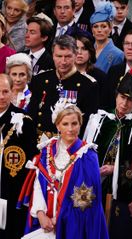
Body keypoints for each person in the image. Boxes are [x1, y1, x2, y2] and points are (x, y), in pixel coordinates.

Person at [19, 96, 109, 239]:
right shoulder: (47, 150)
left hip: (75, 225)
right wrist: (41, 214)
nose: (70, 129)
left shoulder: (88, 155)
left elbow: (86, 200)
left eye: (74, 123)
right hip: (45, 223)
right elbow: (38, 185)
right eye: (65, 124)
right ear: (57, 125)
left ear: (80, 125)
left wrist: (59, 219)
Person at [84, 69, 132, 239]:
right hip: (95, 185)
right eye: (122, 97)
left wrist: (117, 169)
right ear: (116, 96)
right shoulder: (99, 119)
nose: (125, 103)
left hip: (124, 190)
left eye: (130, 100)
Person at [0, 73, 38, 239]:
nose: (1, 96)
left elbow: (29, 160)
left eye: (5, 91)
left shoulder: (23, 121)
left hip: (12, 193)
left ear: (12, 92)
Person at [28, 35, 99, 140]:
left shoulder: (88, 85)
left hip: (68, 144)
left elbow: (87, 125)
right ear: (53, 55)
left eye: (68, 56)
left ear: (75, 55)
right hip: (39, 142)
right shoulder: (40, 79)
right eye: (59, 56)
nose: (63, 61)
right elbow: (32, 114)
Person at [90, 1, 124, 73]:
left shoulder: (118, 54)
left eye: (103, 26)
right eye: (96, 26)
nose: (99, 30)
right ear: (92, 30)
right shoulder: (88, 50)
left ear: (110, 28)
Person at [75, 35, 108, 109]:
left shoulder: (101, 77)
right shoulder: (65, 74)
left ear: (90, 53)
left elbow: (104, 104)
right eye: (76, 48)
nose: (79, 52)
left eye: (83, 49)